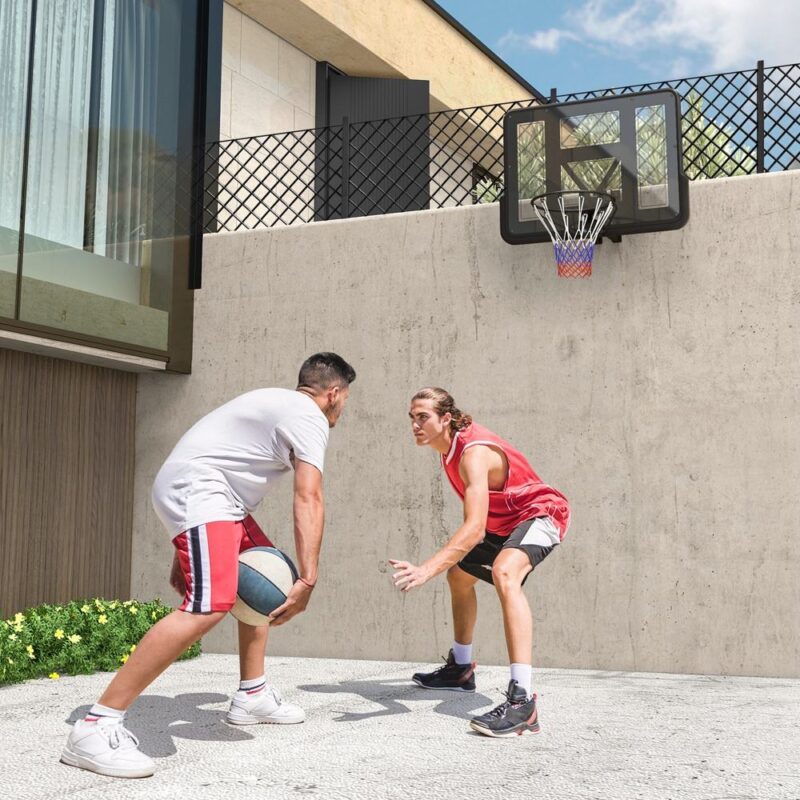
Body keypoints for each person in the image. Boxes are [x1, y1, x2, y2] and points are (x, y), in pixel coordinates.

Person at [60, 353, 356, 778]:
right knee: (209, 605)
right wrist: (309, 577)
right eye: (345, 400)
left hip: (209, 495)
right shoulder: (309, 415)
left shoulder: (277, 403)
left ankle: (252, 694)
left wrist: (185, 549)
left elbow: (213, 450)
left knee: (261, 572)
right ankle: (96, 726)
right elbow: (309, 497)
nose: (342, 408)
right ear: (334, 393)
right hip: (201, 492)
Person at [391, 387, 569, 738]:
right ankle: (460, 669)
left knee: (505, 572)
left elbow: (473, 529)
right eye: (411, 417)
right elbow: (479, 523)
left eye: (422, 417)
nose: (415, 424)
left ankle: (522, 702)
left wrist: (426, 568)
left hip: (542, 515)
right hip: (504, 526)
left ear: (446, 418)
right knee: (459, 576)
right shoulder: (447, 450)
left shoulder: (472, 454)